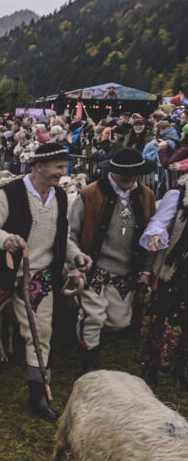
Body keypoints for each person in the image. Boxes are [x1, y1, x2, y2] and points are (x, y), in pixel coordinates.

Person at [0, 143, 90, 420]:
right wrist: (4, 239)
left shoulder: (60, 197)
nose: (63, 173)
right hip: (3, 271)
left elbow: (62, 238)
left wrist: (76, 257)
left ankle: (38, 394)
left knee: (40, 335)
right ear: (38, 167)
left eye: (65, 167)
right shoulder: (9, 193)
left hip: (38, 276)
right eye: (58, 167)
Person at [67, 148, 156, 373]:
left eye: (134, 173)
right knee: (94, 317)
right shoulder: (90, 193)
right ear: (113, 171)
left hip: (125, 270)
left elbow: (151, 236)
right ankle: (89, 365)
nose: (129, 178)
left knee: (119, 321)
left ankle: (83, 331)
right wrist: (75, 263)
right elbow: (70, 232)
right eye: (124, 173)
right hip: (92, 267)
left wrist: (146, 270)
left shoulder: (147, 196)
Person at [136, 170, 188, 382]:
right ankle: (151, 366)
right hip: (172, 271)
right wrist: (157, 234)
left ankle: (181, 368)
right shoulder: (179, 193)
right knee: (161, 318)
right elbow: (160, 221)